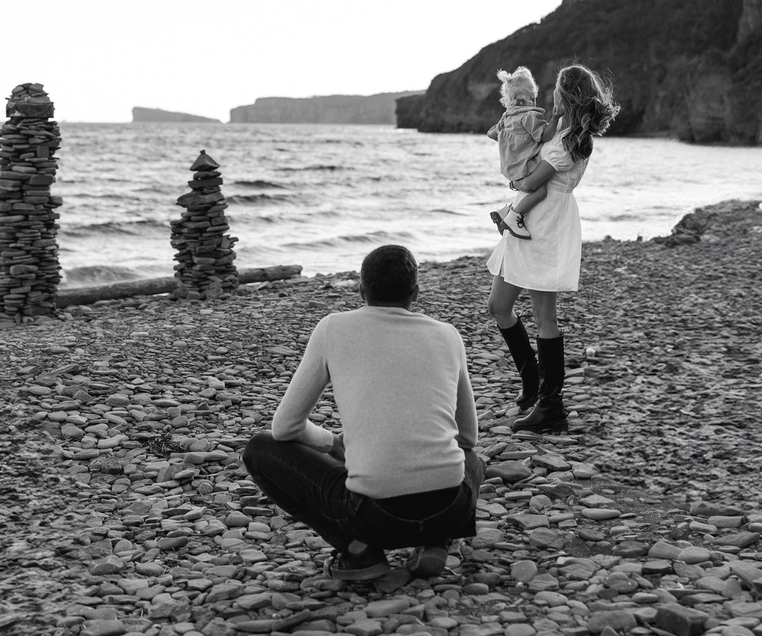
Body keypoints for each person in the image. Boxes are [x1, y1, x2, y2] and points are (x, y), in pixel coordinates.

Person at [242, 244, 483, 582]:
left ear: (361, 290)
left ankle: (358, 551)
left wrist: (332, 443)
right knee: (472, 460)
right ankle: (434, 541)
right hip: (449, 509)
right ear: (416, 292)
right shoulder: (448, 335)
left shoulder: (333, 328)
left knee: (259, 449)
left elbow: (285, 428)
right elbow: (468, 438)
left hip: (374, 515)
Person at [483, 62, 616, 434]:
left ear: (565, 95)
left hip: (547, 224)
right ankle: (533, 384)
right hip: (533, 219)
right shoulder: (563, 132)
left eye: (556, 90)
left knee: (545, 317)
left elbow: (529, 182)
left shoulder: (570, 139)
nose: (550, 96)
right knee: (499, 305)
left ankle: (550, 405)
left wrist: (514, 182)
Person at [486, 67, 550, 239]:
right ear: (532, 97)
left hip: (510, 167)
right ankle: (514, 216)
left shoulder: (507, 117)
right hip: (524, 165)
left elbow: (491, 134)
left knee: (528, 190)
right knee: (541, 191)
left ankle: (505, 211)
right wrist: (557, 119)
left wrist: (503, 136)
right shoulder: (530, 116)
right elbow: (544, 135)